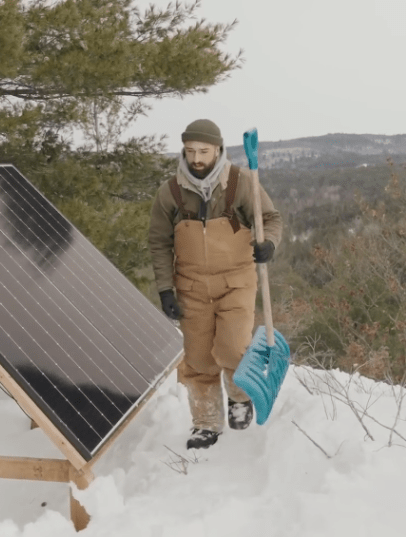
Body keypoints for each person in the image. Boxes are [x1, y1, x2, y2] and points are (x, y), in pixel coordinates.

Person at [148, 119, 283, 449]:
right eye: (191, 150)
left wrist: (270, 244)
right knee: (197, 358)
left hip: (236, 281)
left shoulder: (240, 183)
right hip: (192, 287)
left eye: (203, 151)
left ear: (218, 150)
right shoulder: (171, 192)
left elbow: (269, 219)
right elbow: (159, 241)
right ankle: (206, 421)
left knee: (233, 347)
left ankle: (239, 397)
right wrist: (166, 289)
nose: (196, 158)